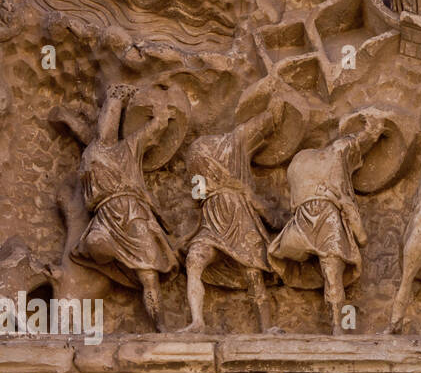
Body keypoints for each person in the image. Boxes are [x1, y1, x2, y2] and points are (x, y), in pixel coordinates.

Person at [70, 85, 178, 331]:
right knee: (95, 242)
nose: (108, 121)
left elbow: (156, 128)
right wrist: (113, 96)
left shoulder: (128, 146)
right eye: (106, 115)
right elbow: (84, 133)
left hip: (132, 214)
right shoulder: (91, 152)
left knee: (149, 276)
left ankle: (160, 327)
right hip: (105, 215)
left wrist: (161, 109)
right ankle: (112, 259)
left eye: (113, 115)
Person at [268, 113, 384, 333]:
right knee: (331, 273)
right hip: (323, 216)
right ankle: (337, 327)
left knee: (327, 271)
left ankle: (337, 327)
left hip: (310, 217)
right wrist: (372, 130)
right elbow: (364, 139)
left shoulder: (299, 160)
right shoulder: (338, 149)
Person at [181, 110, 281, 333]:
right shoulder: (196, 153)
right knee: (194, 260)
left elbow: (266, 119)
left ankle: (265, 328)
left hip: (239, 217)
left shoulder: (234, 140)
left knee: (252, 273)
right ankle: (197, 322)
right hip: (213, 218)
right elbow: (198, 196)